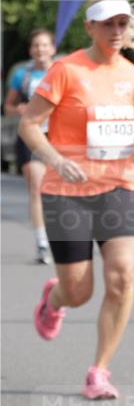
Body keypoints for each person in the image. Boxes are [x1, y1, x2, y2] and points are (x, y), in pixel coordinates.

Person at [18, 0, 134, 400]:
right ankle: (55, 298)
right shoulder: (67, 70)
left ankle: (99, 371)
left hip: (118, 187)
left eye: (123, 23)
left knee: (121, 278)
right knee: (79, 293)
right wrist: (55, 159)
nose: (117, 30)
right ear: (90, 27)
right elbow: (29, 125)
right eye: (108, 23)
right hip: (66, 191)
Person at [4, 28, 57, 263]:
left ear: (52, 49)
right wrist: (19, 110)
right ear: (31, 50)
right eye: (36, 45)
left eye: (44, 45)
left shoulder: (61, 73)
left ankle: (62, 237)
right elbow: (8, 106)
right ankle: (42, 242)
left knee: (58, 191)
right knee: (37, 188)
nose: (40, 49)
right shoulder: (22, 76)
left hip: (56, 137)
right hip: (30, 136)